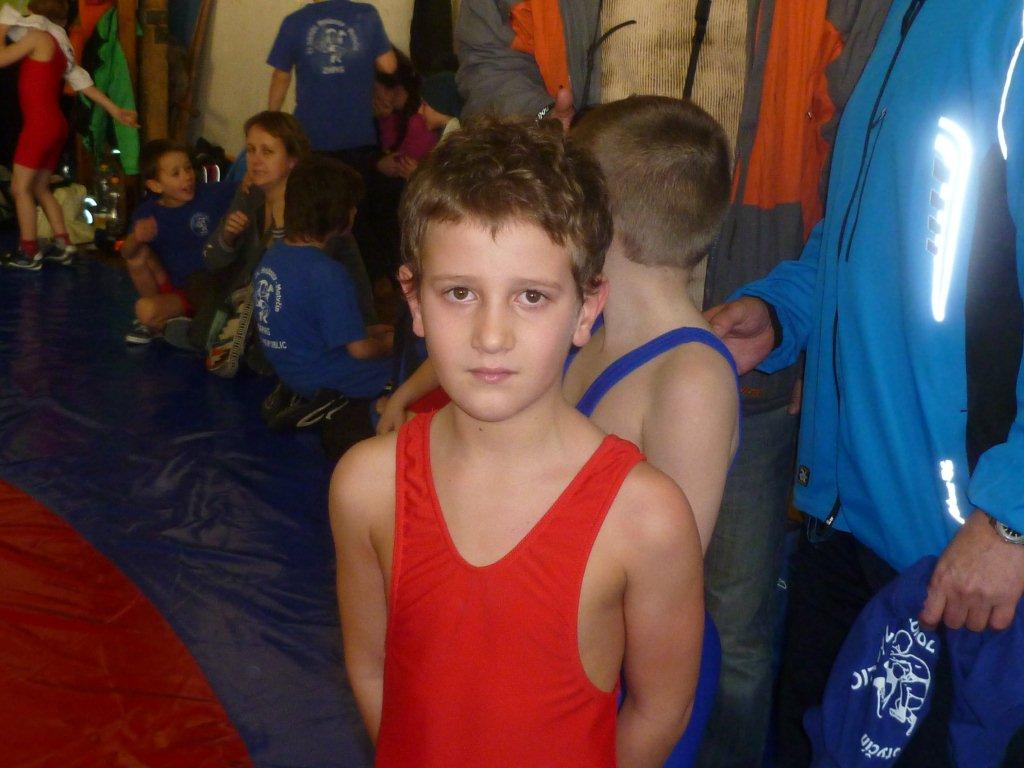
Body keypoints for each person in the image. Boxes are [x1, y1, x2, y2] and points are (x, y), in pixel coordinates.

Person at [454, 2, 892, 764]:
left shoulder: (692, 379)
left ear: (600, 216)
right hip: (589, 659)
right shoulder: (588, 334)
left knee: (736, 623)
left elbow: (670, 590)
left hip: (645, 686)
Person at [329, 116, 704, 766]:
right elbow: (369, 667)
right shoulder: (367, 485)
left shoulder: (645, 517)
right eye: (459, 293)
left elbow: (661, 709)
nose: (491, 335)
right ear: (414, 302)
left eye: (531, 296)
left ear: (586, 309)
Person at [706, 0, 1024, 764]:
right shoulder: (907, 17)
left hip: (956, 559)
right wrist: (781, 314)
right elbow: (857, 234)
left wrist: (1011, 520)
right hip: (842, 526)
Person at [253, 156, 392, 436]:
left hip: (293, 371)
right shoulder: (326, 272)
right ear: (335, 213)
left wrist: (372, 332)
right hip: (330, 379)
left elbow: (308, 325)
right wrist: (392, 344)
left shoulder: (273, 256)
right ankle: (350, 408)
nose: (355, 211)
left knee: (384, 331)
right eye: (351, 206)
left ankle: (310, 398)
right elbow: (360, 351)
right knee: (419, 361)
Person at [0, 0, 137, 271]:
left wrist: (3, 26)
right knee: (40, 188)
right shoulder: (61, 46)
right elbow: (84, 83)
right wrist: (115, 110)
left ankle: (29, 251)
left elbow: (2, 59)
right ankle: (64, 243)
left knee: (20, 188)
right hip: (56, 125)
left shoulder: (38, 37)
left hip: (39, 126)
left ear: (33, 12)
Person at [189, 111, 309, 376]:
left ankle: (236, 336)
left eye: (267, 152)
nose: (255, 161)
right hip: (246, 293)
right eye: (251, 150)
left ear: (292, 160)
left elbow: (296, 279)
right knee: (202, 285)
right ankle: (230, 332)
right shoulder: (250, 193)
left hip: (284, 305)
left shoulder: (305, 206)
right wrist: (227, 238)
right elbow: (211, 259)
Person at [121, 140, 236, 345]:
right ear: (155, 185)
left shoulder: (211, 193)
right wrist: (136, 237)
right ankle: (172, 324)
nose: (187, 177)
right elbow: (126, 253)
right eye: (176, 174)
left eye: (188, 168)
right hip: (178, 293)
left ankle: (191, 326)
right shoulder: (148, 212)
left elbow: (247, 187)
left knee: (206, 288)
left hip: (209, 286)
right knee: (144, 306)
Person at [266, 0, 398, 169]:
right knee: (354, 183)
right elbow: (389, 66)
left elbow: (281, 77)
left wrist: (271, 121)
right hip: (358, 134)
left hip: (310, 135)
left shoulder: (294, 21)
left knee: (313, 184)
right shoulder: (366, 15)